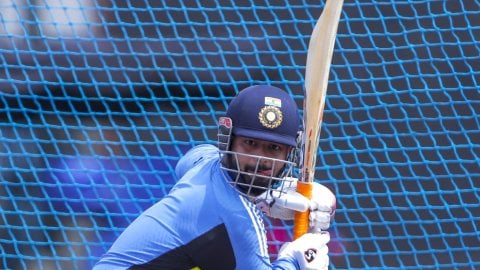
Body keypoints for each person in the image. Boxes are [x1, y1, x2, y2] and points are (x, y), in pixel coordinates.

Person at [93, 85, 336, 270]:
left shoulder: (205, 163)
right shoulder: (238, 219)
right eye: (250, 144)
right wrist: (296, 260)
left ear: (288, 154)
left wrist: (269, 192)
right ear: (228, 141)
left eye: (274, 149)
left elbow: (193, 156)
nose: (261, 160)